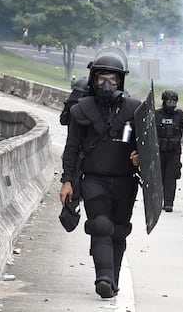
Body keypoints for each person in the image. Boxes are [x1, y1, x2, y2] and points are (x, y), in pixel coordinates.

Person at [59, 47, 142, 299]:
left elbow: (148, 146)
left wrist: (141, 157)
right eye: (101, 79)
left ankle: (113, 279)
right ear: (94, 80)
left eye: (112, 79)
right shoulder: (81, 110)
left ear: (121, 81)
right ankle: (103, 278)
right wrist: (67, 181)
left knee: (118, 229)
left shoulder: (133, 110)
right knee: (101, 225)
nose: (107, 84)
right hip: (94, 179)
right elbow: (71, 149)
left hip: (125, 181)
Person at [155, 89, 183, 212]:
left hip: (174, 152)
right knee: (159, 177)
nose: (171, 103)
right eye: (168, 100)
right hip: (159, 151)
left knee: (171, 177)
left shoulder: (181, 116)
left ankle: (169, 203)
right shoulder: (156, 115)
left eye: (173, 101)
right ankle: (158, 201)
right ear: (164, 101)